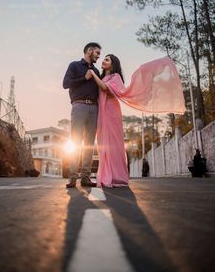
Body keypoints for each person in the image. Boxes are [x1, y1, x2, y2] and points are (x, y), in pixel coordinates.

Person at [90, 54, 186, 188]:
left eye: (107, 59)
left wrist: (92, 75)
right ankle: (106, 174)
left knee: (113, 145)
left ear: (113, 64)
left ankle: (116, 177)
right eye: (104, 59)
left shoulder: (115, 77)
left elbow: (105, 88)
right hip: (102, 114)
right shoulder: (102, 77)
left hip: (111, 113)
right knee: (102, 144)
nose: (103, 61)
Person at [63, 42, 101, 188]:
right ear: (89, 51)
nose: (98, 56)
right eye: (97, 53)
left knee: (90, 145)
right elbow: (65, 84)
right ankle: (72, 177)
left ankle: (85, 177)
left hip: (94, 108)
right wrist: (84, 78)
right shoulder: (74, 65)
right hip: (78, 106)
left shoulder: (97, 71)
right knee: (76, 142)